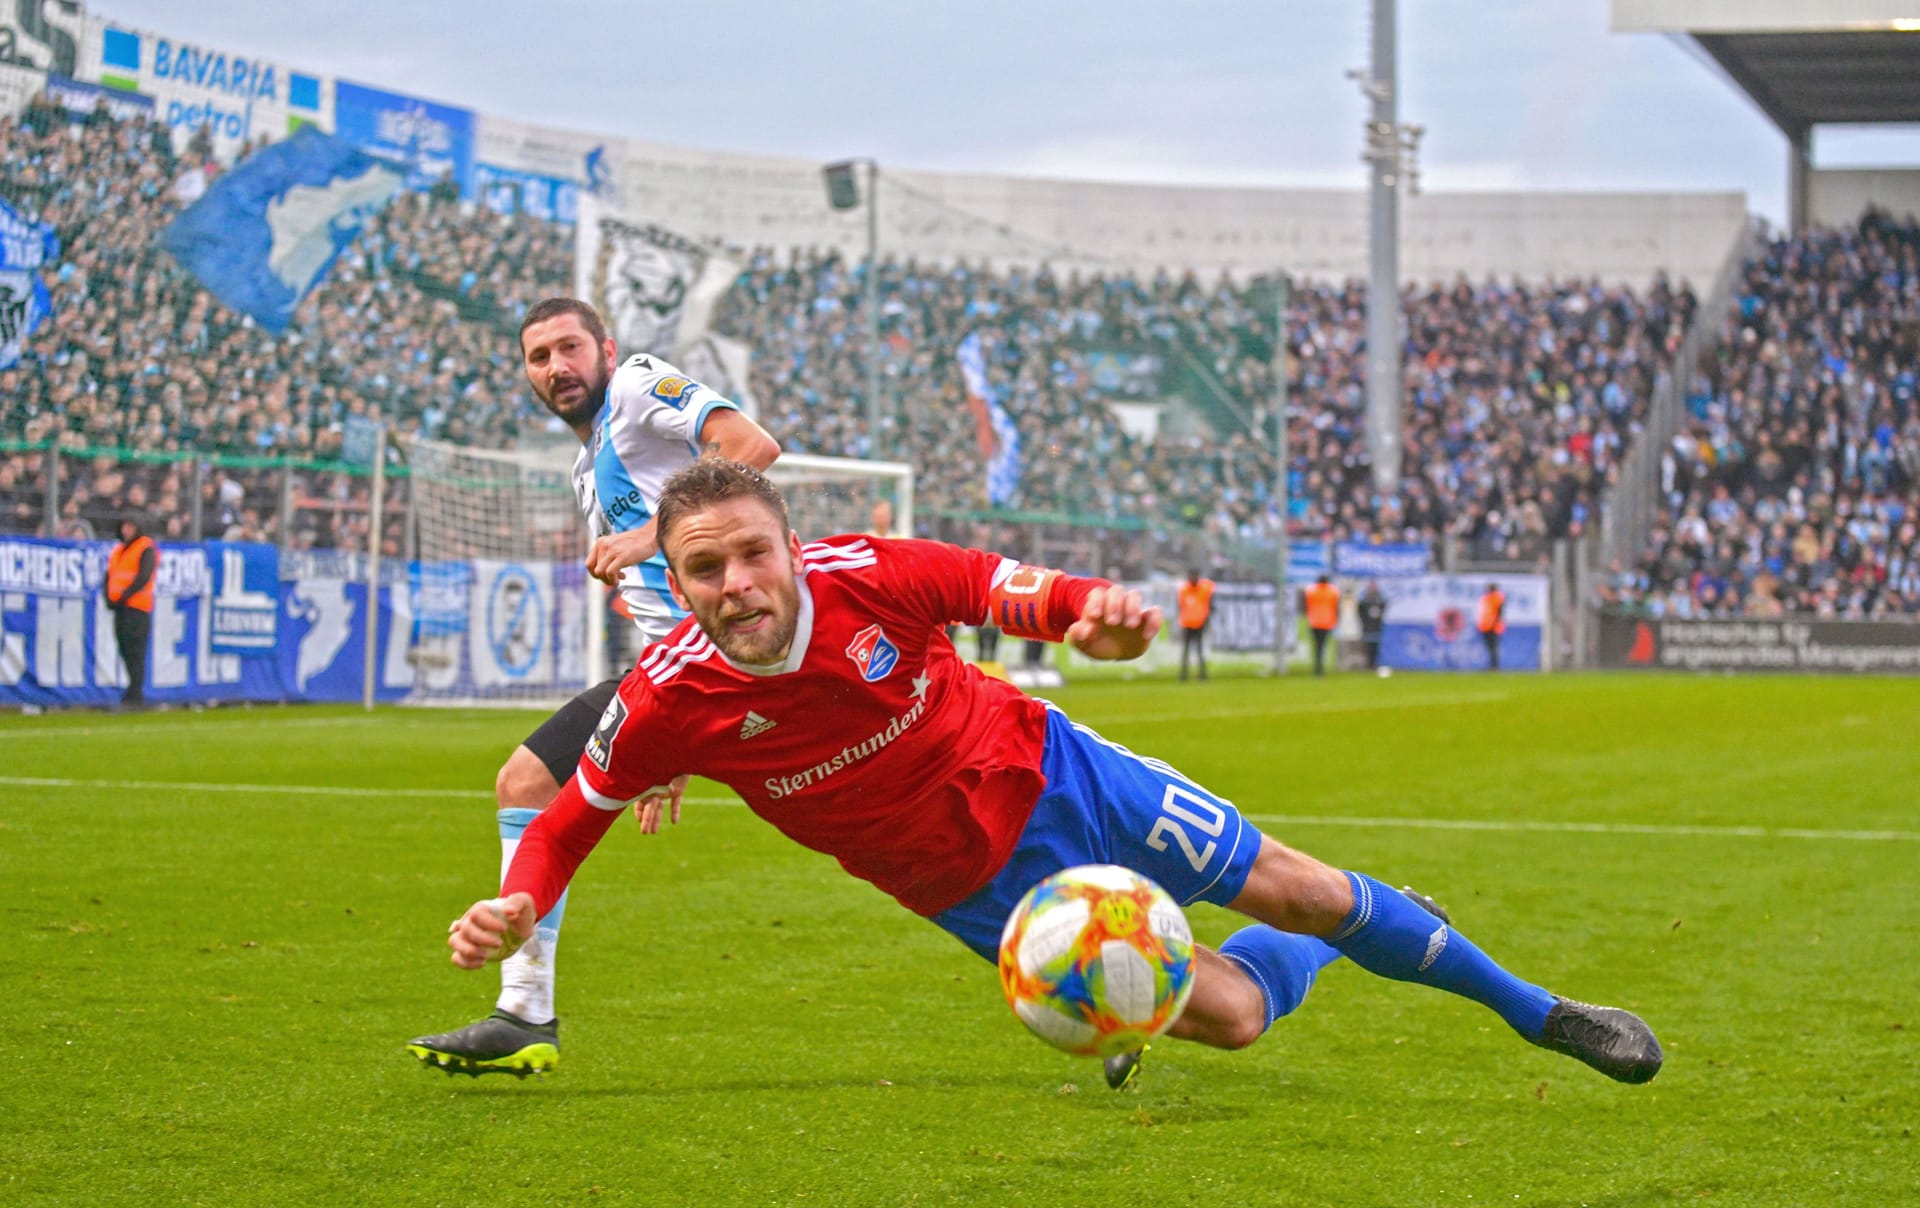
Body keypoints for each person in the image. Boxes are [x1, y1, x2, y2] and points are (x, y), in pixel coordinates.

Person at [442, 459, 1663, 1094]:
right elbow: (564, 823)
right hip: (981, 895)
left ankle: (1540, 1010)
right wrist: (519, 902)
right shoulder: (668, 694)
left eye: (754, 553)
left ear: (789, 545)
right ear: (678, 577)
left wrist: (1098, 620)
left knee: (1296, 887)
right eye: (704, 570)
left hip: (1059, 771)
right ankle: (1361, 937)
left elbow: (1015, 590)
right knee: (1234, 1018)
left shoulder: (874, 569)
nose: (737, 585)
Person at [407, 300, 780, 1076]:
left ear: (605, 348)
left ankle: (524, 1009)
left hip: (744, 657)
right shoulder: (589, 469)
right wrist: (663, 742)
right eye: (538, 356)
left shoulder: (639, 388)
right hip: (684, 673)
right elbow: (660, 607)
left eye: (569, 347)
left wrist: (660, 531)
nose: (556, 367)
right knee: (525, 782)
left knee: (904, 820)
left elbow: (751, 444)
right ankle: (523, 1011)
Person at [104, 517, 157, 709]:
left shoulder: (145, 548)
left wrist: (124, 596)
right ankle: (132, 692)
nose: (126, 530)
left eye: (130, 526)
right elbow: (109, 576)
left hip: (137, 608)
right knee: (125, 649)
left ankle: (135, 694)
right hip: (121, 608)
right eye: (124, 526)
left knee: (136, 652)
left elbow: (144, 576)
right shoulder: (118, 551)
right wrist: (109, 598)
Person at [1176, 567, 1214, 681]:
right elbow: (1180, 606)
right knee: (1186, 650)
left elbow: (1208, 602)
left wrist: (1206, 619)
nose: (1193, 578)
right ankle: (1183, 674)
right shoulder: (1184, 590)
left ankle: (1202, 674)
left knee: (1200, 650)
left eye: (1195, 576)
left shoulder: (1204, 589)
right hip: (1187, 623)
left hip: (1199, 623)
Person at [1302, 573, 1340, 677]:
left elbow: (1306, 606)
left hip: (1314, 621)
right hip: (1327, 621)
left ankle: (1317, 668)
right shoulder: (1332, 592)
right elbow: (1336, 607)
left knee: (1316, 645)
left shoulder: (1312, 591)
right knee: (1322, 645)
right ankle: (1320, 669)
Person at [1357, 581, 1388, 671]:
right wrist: (1363, 620)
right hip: (1367, 626)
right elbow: (1360, 610)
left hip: (1376, 626)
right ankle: (1368, 664)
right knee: (1368, 646)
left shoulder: (1380, 598)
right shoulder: (1364, 598)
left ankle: (1374, 663)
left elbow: (1384, 607)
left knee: (1375, 646)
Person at [1478, 582, 1506, 671]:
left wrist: (1495, 622)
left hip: (1493, 626)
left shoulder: (1497, 598)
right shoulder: (1487, 598)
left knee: (1493, 647)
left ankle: (1494, 666)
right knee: (1490, 647)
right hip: (1486, 625)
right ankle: (1492, 665)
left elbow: (1499, 612)